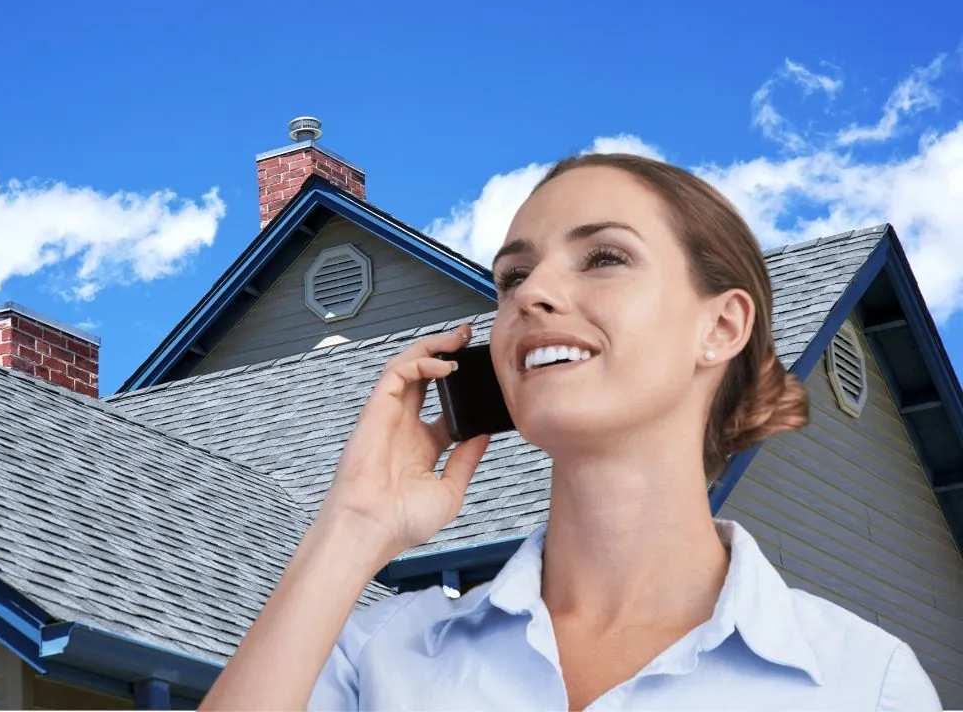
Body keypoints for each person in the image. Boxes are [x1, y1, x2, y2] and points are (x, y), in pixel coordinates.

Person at [199, 154, 942, 711]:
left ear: (720, 327)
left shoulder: (862, 683)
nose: (535, 295)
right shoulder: (384, 654)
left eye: (605, 258)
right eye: (513, 278)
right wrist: (352, 526)